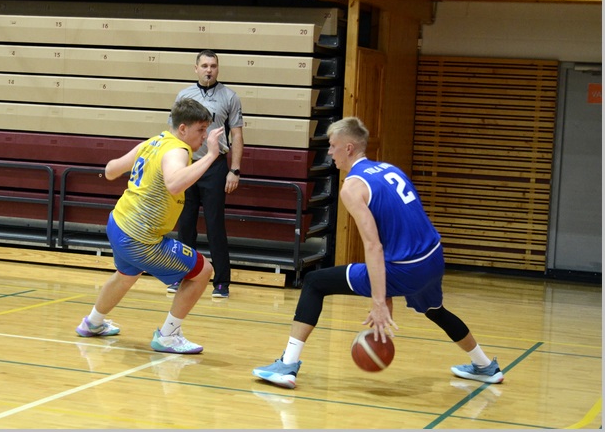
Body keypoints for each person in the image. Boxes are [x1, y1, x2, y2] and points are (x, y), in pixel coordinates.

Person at [252, 117, 504, 388]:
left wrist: (379, 302)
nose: (330, 152)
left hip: (405, 268)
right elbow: (405, 225)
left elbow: (373, 245)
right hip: (432, 258)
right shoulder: (389, 169)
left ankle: (287, 366)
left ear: (349, 148)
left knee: (314, 283)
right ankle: (484, 366)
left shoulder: (352, 187)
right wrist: (385, 292)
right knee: (435, 311)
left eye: (332, 145)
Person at [75, 98, 224, 354]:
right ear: (183, 129)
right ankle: (168, 336)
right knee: (203, 271)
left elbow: (110, 170)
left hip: (118, 223)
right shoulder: (178, 150)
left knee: (126, 276)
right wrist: (211, 156)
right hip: (138, 237)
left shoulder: (153, 142)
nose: (205, 136)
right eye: (201, 130)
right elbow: (174, 184)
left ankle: (93, 323)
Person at [166, 49, 244, 298]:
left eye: (213, 66)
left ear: (217, 68)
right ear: (196, 68)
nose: (209, 70)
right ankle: (182, 275)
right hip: (188, 166)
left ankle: (221, 282)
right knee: (185, 224)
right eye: (204, 65)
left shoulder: (230, 97)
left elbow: (237, 135)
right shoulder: (184, 96)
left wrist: (234, 170)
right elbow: (172, 134)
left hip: (215, 168)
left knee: (214, 225)